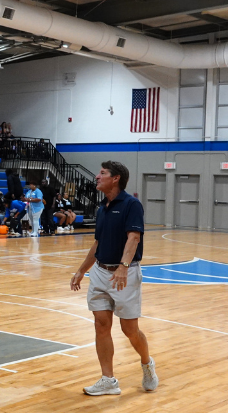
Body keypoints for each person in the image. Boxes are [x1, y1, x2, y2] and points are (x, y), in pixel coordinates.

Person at [71, 161, 158, 396]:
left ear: (116, 178)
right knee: (101, 324)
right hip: (99, 271)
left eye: (102, 173)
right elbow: (97, 243)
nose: (97, 177)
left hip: (124, 273)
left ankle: (147, 363)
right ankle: (108, 379)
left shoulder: (131, 205)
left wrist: (123, 266)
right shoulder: (102, 208)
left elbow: (134, 238)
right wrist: (82, 270)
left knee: (129, 329)